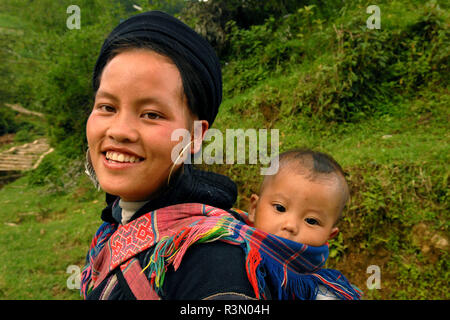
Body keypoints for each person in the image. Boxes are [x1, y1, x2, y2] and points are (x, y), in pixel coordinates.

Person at [80, 10, 361, 300]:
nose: (120, 130)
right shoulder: (113, 227)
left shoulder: (212, 261)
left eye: (151, 114)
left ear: (196, 135)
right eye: (107, 107)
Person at [247, 149, 361, 299]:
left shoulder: (324, 291)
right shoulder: (227, 246)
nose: (291, 226)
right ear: (254, 209)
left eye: (311, 221)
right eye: (280, 208)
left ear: (329, 235)